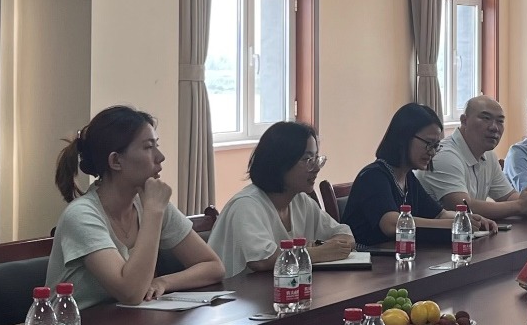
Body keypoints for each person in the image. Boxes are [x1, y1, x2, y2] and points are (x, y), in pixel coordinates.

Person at [48, 106, 224, 308]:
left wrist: (163, 282)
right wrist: (154, 212)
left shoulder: (149, 203)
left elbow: (213, 266)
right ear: (116, 161)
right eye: (148, 147)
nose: (160, 157)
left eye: (157, 145)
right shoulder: (81, 215)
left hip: (126, 322)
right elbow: (130, 293)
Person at [208, 121, 354, 278]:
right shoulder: (246, 205)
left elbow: (345, 234)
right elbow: (261, 260)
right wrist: (320, 252)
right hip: (236, 293)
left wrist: (328, 246)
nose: (316, 168)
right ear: (280, 162)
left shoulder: (301, 201)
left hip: (281, 289)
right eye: (307, 159)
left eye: (316, 158)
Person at [342, 103, 496, 247]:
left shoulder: (408, 178)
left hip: (397, 258)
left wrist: (469, 219)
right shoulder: (373, 177)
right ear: (404, 137)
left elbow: (439, 214)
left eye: (436, 146)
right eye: (429, 144)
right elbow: (391, 224)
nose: (432, 152)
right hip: (367, 262)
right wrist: (453, 224)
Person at [416, 96, 527, 220]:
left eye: (500, 121)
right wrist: (520, 205)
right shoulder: (444, 155)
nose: (494, 127)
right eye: (486, 118)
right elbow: (463, 207)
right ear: (464, 120)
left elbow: (508, 196)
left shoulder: (488, 155)